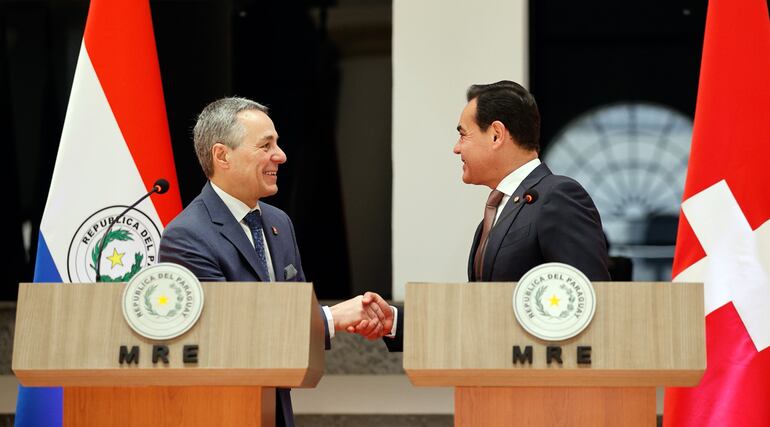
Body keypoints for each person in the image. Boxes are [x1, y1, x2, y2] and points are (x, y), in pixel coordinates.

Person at [158, 97, 392, 427]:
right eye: (266, 145)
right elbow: (229, 332)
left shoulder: (278, 222)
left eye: (277, 144)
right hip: (223, 412)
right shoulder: (186, 237)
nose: (280, 156)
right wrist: (331, 318)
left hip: (276, 409)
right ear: (222, 155)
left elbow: (291, 310)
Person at [365, 80, 610, 351]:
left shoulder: (558, 196)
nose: (456, 148)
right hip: (493, 379)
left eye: (463, 135)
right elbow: (480, 315)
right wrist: (396, 322)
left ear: (496, 135)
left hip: (546, 385)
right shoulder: (495, 214)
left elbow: (592, 302)